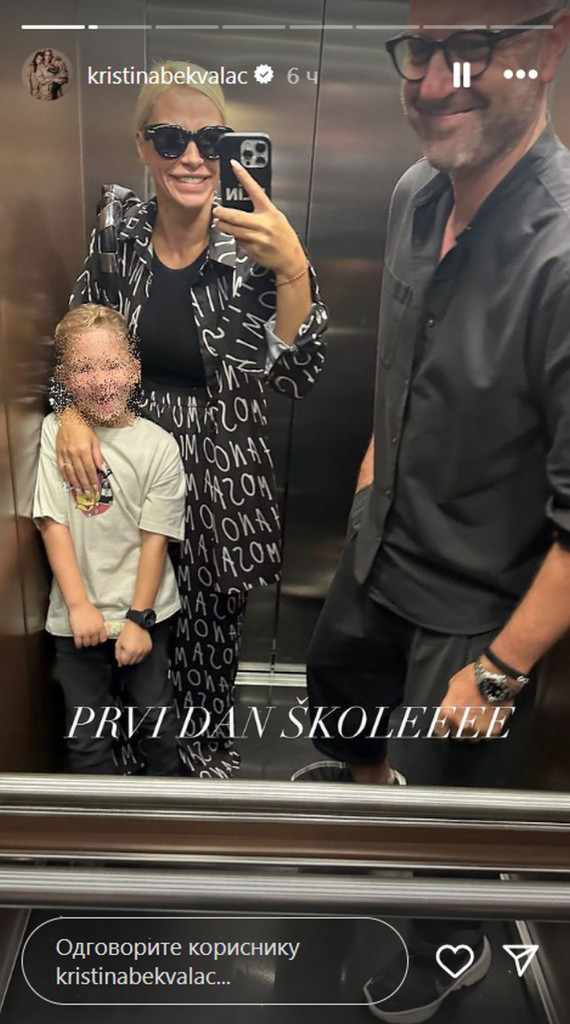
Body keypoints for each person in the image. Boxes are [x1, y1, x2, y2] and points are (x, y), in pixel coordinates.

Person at [294, 1, 570, 1021]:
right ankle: (369, 797)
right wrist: (370, 492)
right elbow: (399, 364)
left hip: (474, 614)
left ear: (548, 49)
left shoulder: (561, 257)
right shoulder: (416, 193)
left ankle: (439, 954)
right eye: (422, 48)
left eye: (474, 47)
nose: (433, 80)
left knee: (445, 834)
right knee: (343, 709)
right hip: (379, 551)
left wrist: (500, 671)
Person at [55, 61, 328, 778]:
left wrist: (292, 269)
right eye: (170, 138)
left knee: (208, 626)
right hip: (125, 458)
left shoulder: (257, 246)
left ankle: (199, 756)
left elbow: (297, 375)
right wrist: (69, 413)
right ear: (143, 147)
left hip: (220, 469)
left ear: (230, 148)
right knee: (122, 611)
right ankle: (123, 760)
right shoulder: (117, 236)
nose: (192, 157)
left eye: (211, 140)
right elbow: (80, 337)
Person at [34, 304, 186, 776]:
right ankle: (96, 820)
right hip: (76, 617)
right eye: (84, 369)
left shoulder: (158, 445)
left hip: (145, 611)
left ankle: (169, 811)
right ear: (64, 377)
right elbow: (53, 523)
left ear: (134, 369)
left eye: (112, 365)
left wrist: (139, 619)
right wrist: (79, 606)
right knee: (86, 736)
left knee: (157, 721)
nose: (101, 381)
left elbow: (156, 539)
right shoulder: (55, 434)